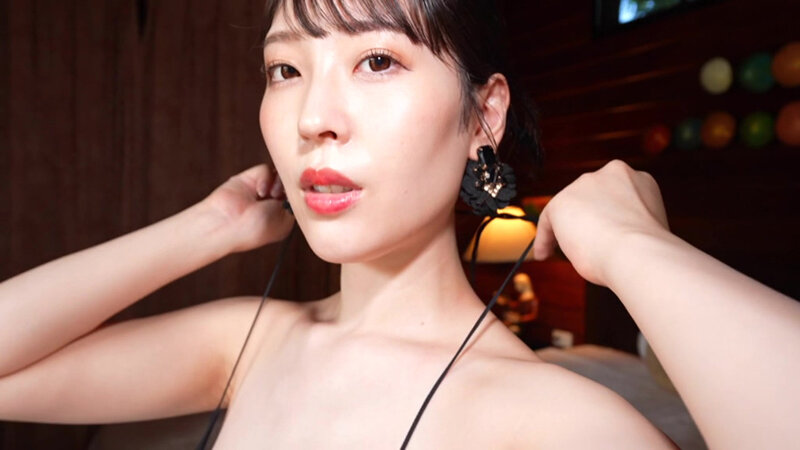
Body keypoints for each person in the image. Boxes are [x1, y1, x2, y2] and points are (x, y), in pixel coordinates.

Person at [1, 0, 798, 448]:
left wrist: (634, 248)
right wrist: (206, 227)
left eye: (377, 60)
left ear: (484, 114)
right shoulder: (250, 342)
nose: (312, 117)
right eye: (286, 69)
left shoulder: (555, 423)